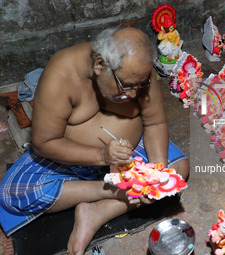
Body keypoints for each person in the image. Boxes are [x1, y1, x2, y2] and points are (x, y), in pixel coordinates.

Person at [0, 27, 189, 255]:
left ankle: (99, 212)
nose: (132, 94)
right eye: (126, 86)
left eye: (138, 86)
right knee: (11, 195)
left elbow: (155, 123)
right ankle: (107, 191)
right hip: (71, 163)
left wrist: (155, 175)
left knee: (177, 170)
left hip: (129, 153)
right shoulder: (61, 74)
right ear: (100, 65)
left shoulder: (137, 72)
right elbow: (44, 142)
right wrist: (101, 156)